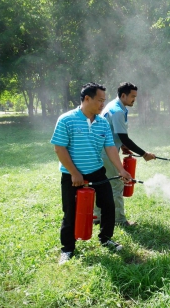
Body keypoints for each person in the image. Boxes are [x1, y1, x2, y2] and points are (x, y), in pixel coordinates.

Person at [50, 82, 133, 265]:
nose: (103, 104)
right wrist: (74, 173)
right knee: (70, 212)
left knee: (109, 206)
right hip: (71, 176)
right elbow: (59, 148)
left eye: (104, 100)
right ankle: (68, 249)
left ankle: (106, 238)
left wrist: (121, 169)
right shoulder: (67, 119)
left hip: (97, 172)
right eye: (100, 100)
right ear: (87, 99)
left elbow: (110, 148)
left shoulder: (102, 123)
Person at [93, 82, 156, 227]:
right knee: (116, 184)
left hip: (101, 151)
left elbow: (116, 134)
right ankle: (119, 219)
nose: (135, 99)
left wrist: (123, 146)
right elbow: (124, 137)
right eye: (132, 96)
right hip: (107, 153)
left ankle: (97, 216)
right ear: (123, 95)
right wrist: (144, 154)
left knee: (101, 184)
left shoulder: (114, 106)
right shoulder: (118, 111)